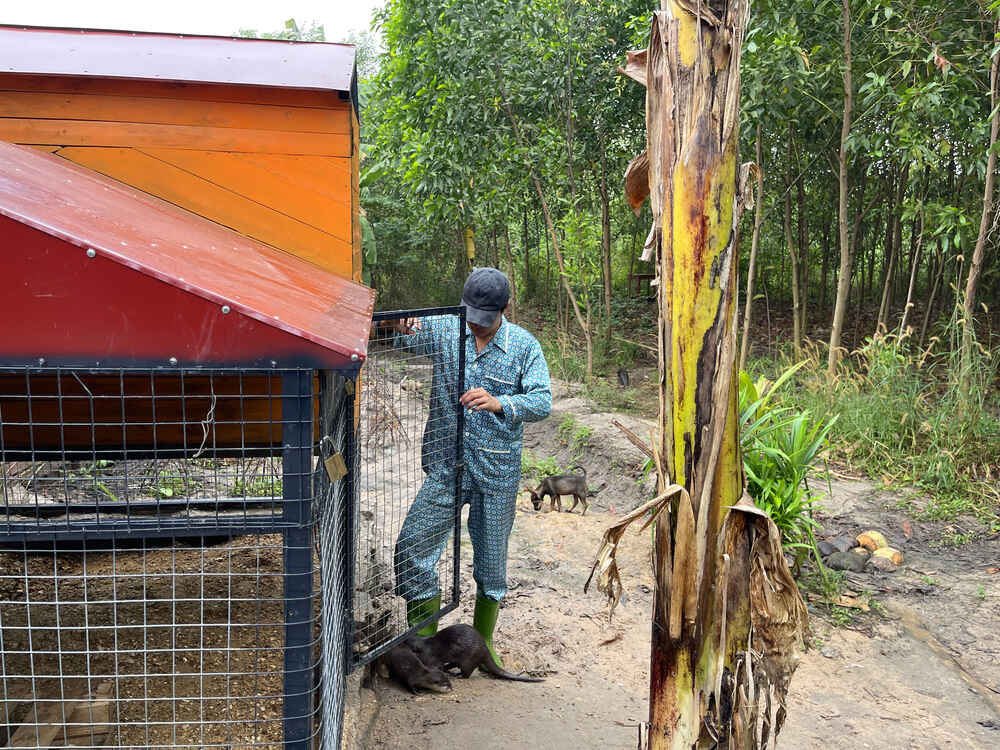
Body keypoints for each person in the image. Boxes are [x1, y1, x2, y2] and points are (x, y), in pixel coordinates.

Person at [386, 267, 551, 667]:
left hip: (496, 474)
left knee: (491, 563)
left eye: (484, 318)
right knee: (412, 548)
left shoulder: (524, 347)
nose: (474, 324)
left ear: (505, 308)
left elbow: (542, 401)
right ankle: (423, 649)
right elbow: (397, 338)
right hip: (446, 467)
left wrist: (500, 403)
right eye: (470, 315)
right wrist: (395, 325)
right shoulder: (446, 329)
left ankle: (483, 644)